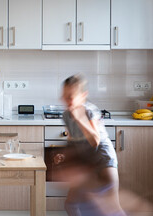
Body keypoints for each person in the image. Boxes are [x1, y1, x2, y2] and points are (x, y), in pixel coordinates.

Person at [54, 74, 125, 216]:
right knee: (71, 205)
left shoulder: (89, 111)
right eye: (64, 95)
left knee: (112, 208)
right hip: (86, 162)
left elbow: (95, 140)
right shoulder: (67, 115)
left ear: (83, 95)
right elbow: (72, 139)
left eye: (71, 96)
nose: (67, 100)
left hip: (104, 160)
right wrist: (64, 154)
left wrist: (79, 118)